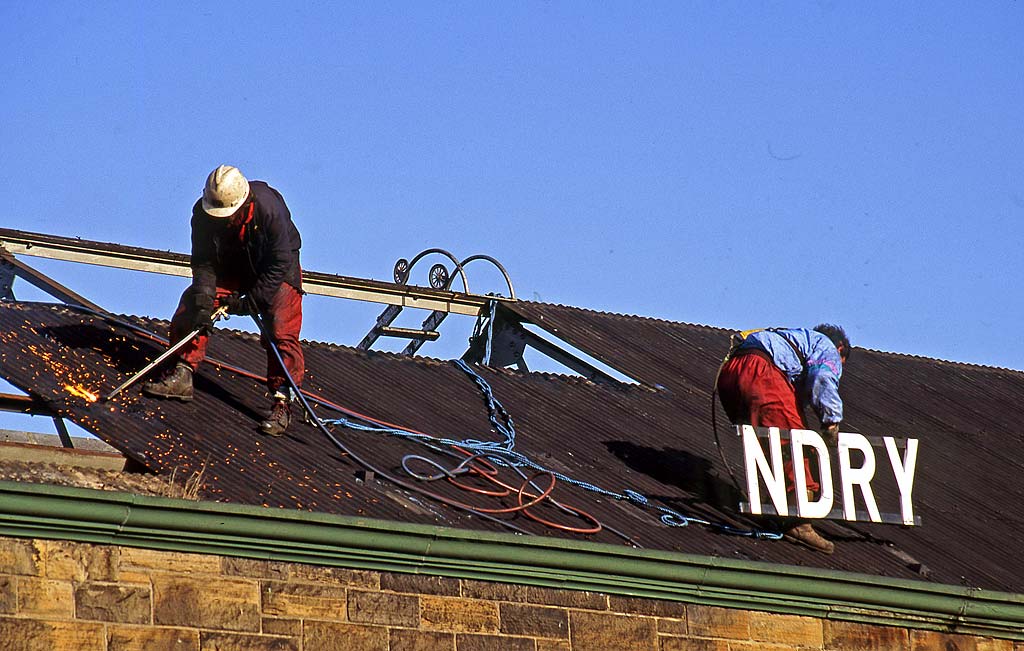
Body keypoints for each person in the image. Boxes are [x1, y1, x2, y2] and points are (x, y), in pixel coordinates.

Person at [143, 165, 305, 437]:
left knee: (281, 330)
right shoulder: (204, 213)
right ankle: (182, 372)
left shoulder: (268, 208)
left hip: (275, 269)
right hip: (231, 264)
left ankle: (282, 402)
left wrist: (252, 300)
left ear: (243, 202)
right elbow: (204, 262)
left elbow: (280, 262)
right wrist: (205, 299)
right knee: (192, 306)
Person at [716, 324, 851, 554]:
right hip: (760, 371)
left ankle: (773, 504)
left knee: (769, 442)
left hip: (730, 374)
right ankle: (800, 522)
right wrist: (831, 422)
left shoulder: (791, 340)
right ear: (841, 349)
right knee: (796, 442)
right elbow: (824, 376)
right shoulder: (827, 346)